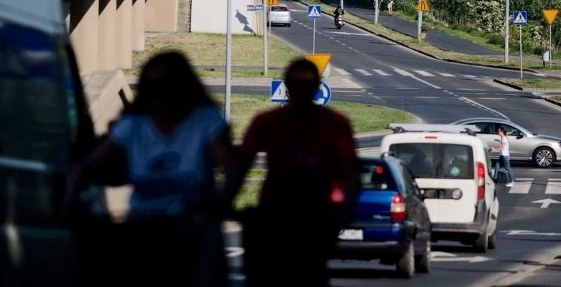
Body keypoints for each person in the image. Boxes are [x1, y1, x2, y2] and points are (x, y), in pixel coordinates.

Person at [65, 50, 235, 287]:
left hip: (193, 229)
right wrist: (70, 202)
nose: (163, 96)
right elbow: (88, 165)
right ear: (146, 91)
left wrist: (221, 202)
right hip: (144, 228)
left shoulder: (205, 120)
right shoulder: (134, 124)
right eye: (154, 87)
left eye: (170, 86)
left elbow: (232, 168)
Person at [225, 58, 361, 287]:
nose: (302, 94)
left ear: (317, 89)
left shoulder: (335, 124)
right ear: (288, 88)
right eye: (297, 87)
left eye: (307, 87)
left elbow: (351, 173)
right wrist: (226, 201)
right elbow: (240, 166)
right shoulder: (268, 122)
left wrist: (343, 210)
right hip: (274, 216)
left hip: (315, 217)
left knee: (311, 271)